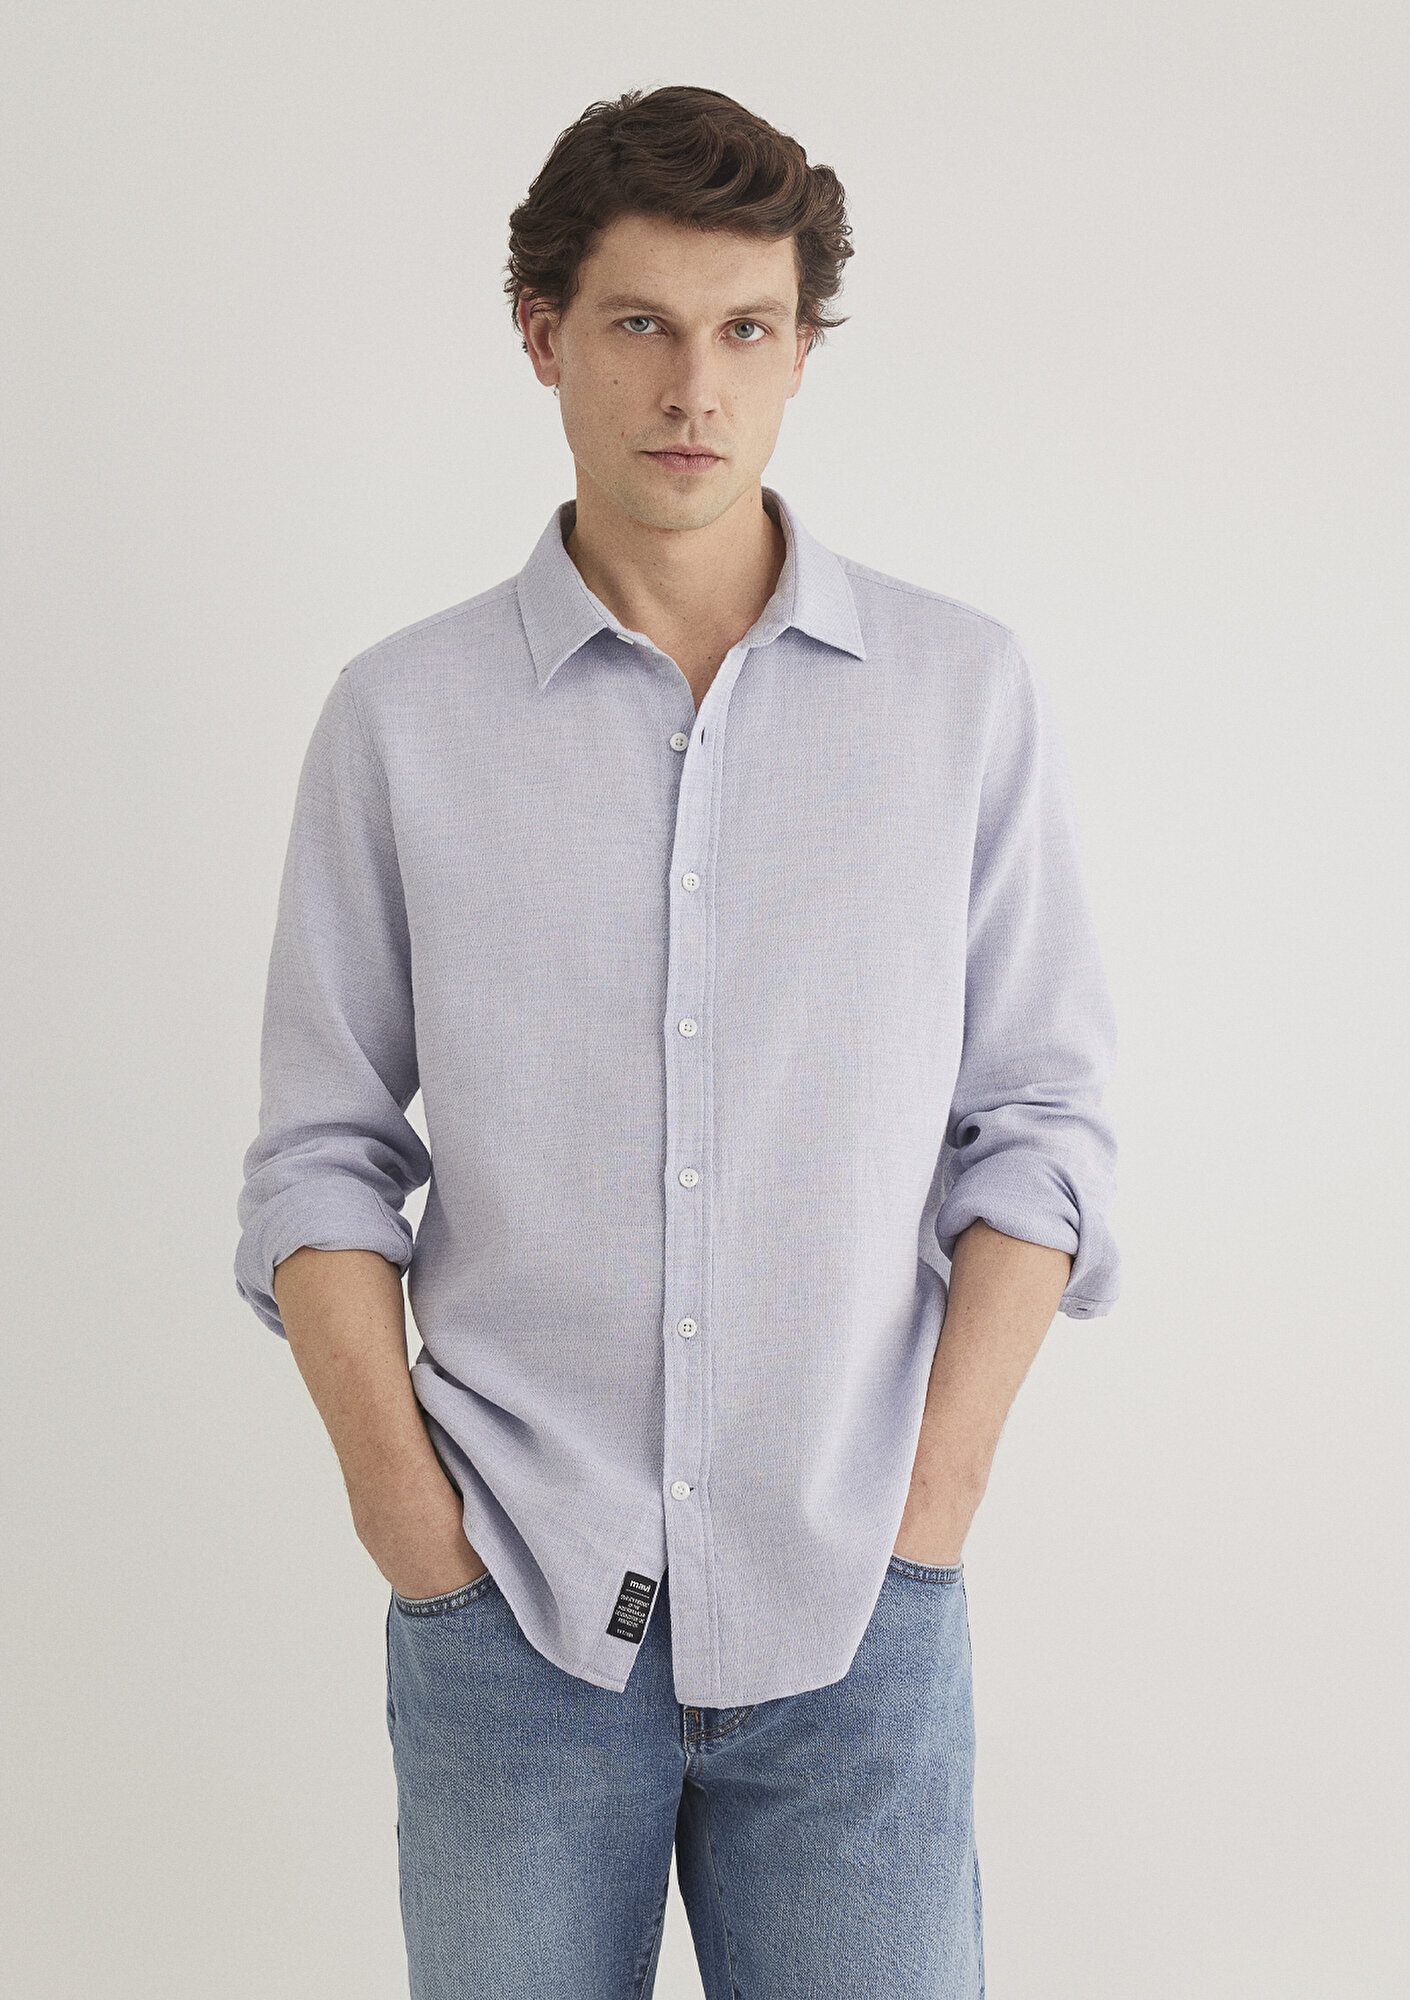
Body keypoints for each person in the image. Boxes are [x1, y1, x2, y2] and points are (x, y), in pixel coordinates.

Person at [234, 83, 1119, 2000]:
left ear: (801, 351)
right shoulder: (401, 719)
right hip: (512, 1617)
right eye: (639, 323)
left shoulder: (958, 695)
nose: (692, 390)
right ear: (541, 333)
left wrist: (928, 1514)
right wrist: (412, 1528)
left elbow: (1041, 1123)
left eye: (746, 330)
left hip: (859, 1613)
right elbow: (320, 1153)